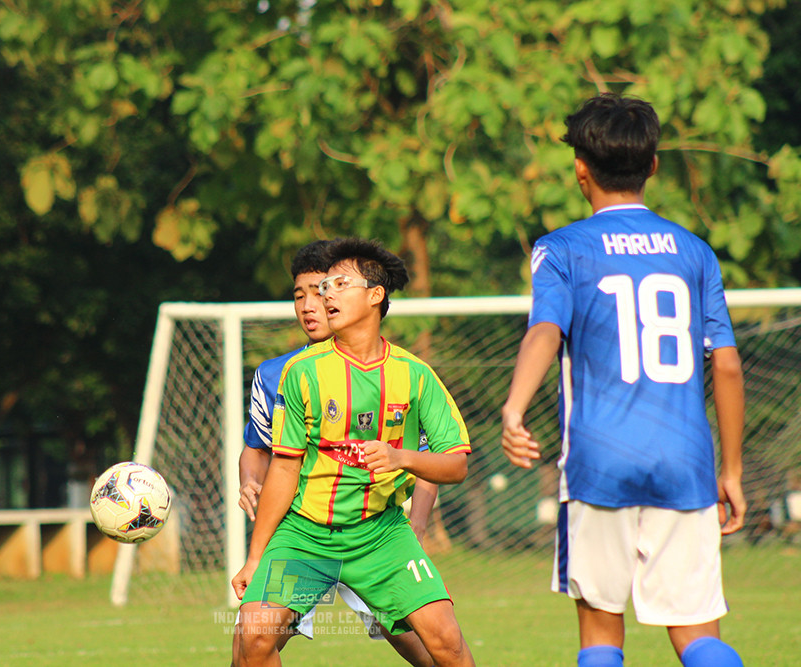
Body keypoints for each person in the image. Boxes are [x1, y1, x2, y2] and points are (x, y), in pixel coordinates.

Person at [500, 93, 746, 667]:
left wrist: (514, 409)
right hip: (685, 463)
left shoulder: (561, 248)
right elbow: (727, 364)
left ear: (580, 169)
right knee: (698, 634)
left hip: (599, 462)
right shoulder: (694, 252)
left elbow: (545, 331)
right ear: (653, 167)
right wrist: (730, 470)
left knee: (602, 637)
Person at [233, 237, 476, 667]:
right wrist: (255, 557)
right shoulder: (299, 373)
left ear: (375, 295)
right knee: (252, 638)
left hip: (381, 534)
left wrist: (402, 459)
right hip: (306, 534)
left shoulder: (415, 376)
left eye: (337, 284)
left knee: (446, 644)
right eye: (319, 287)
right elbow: (284, 470)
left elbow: (456, 464)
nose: (324, 296)